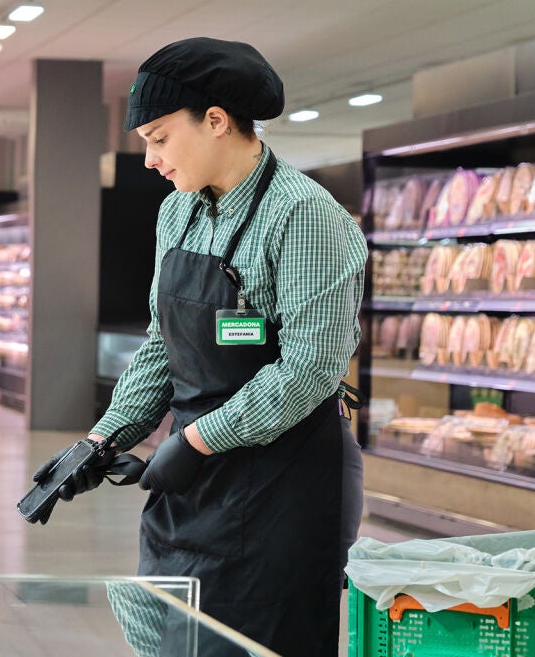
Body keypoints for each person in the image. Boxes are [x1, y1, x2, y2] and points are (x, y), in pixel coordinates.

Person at [31, 37, 366, 654]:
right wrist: (103, 439)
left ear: (216, 121)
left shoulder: (304, 216)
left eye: (159, 138)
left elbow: (310, 369)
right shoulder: (176, 213)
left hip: (281, 490)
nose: (151, 160)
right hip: (191, 488)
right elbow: (164, 341)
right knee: (166, 636)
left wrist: (195, 440)